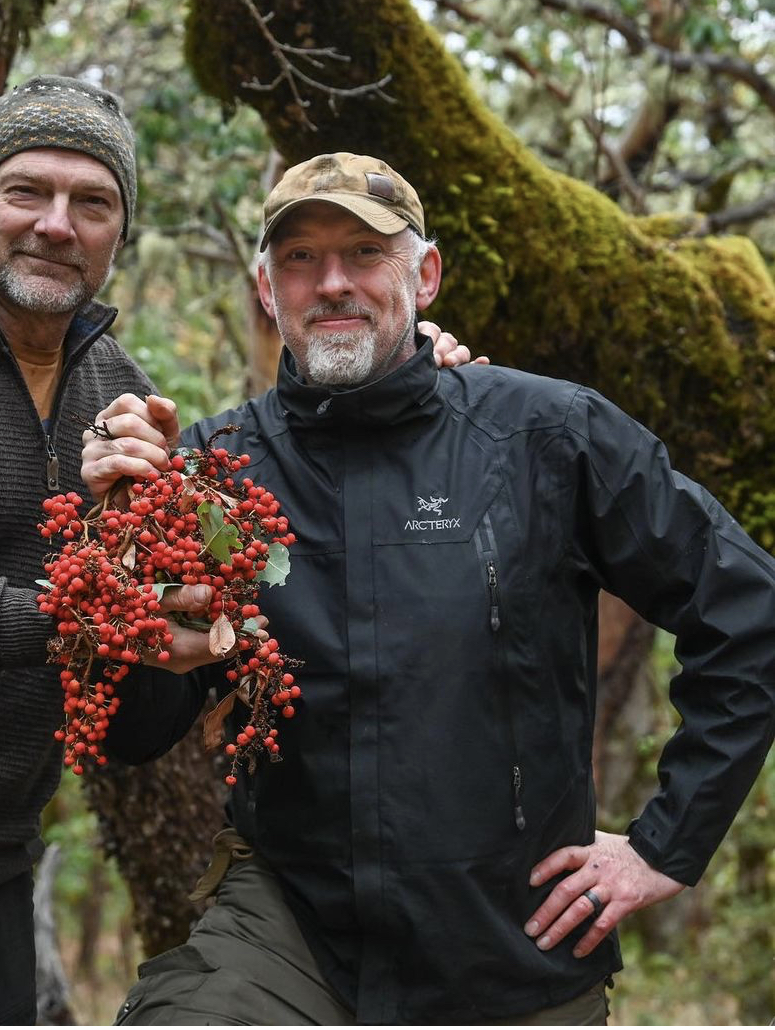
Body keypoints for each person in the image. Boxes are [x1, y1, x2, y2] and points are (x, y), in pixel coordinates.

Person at [0, 80, 472, 1024]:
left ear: (120, 230)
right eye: (27, 191)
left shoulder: (124, 398)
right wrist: (90, 611)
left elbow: (127, 716)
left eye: (93, 202)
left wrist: (412, 383)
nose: (56, 225)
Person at [82, 152, 775, 1025]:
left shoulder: (545, 435)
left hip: (511, 941)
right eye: (300, 258)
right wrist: (118, 551)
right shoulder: (215, 475)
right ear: (266, 288)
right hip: (293, 931)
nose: (331, 282)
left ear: (426, 275)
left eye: (365, 253)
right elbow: (135, 732)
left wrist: (663, 847)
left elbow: (748, 611)